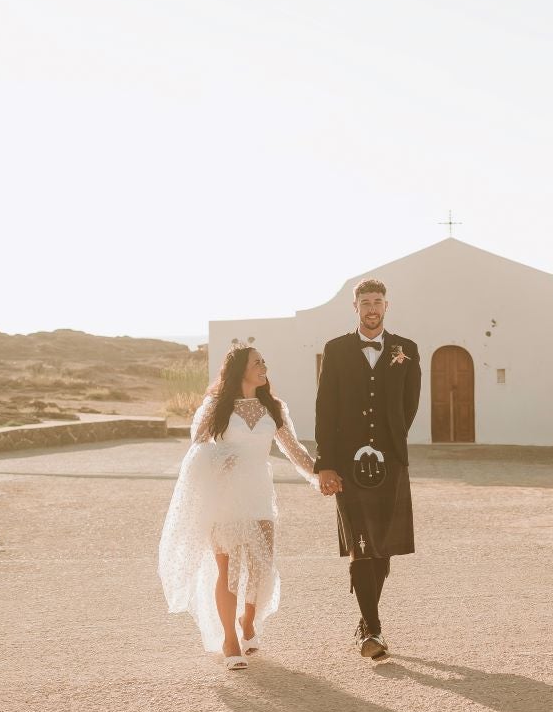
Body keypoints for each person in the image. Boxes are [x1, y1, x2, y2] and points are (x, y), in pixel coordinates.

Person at [158, 346, 317, 669]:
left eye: (263, 361)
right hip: (224, 496)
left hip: (259, 493)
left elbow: (293, 449)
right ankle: (230, 640)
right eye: (257, 362)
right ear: (240, 370)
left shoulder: (274, 407)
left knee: (261, 568)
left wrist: (320, 475)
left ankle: (248, 620)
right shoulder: (216, 407)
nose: (263, 366)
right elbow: (196, 449)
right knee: (228, 571)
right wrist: (217, 459)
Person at [313, 278, 420, 660]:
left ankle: (364, 616)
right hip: (346, 465)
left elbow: (409, 406)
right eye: (365, 302)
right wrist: (325, 464)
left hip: (389, 463)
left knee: (383, 547)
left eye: (378, 302)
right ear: (354, 307)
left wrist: (387, 444)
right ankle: (372, 630)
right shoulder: (337, 350)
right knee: (361, 545)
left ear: (386, 306)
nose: (372, 308)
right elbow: (325, 409)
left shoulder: (406, 349)